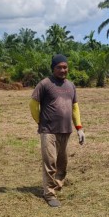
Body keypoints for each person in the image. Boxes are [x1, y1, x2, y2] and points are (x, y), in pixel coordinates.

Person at [30, 54, 85, 208]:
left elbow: (75, 107)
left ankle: (57, 185)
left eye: (65, 67)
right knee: (50, 162)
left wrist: (79, 128)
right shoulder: (45, 84)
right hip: (48, 130)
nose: (62, 70)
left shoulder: (70, 86)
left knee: (62, 163)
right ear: (53, 68)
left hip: (65, 130)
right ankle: (49, 194)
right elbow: (33, 104)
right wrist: (40, 121)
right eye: (59, 67)